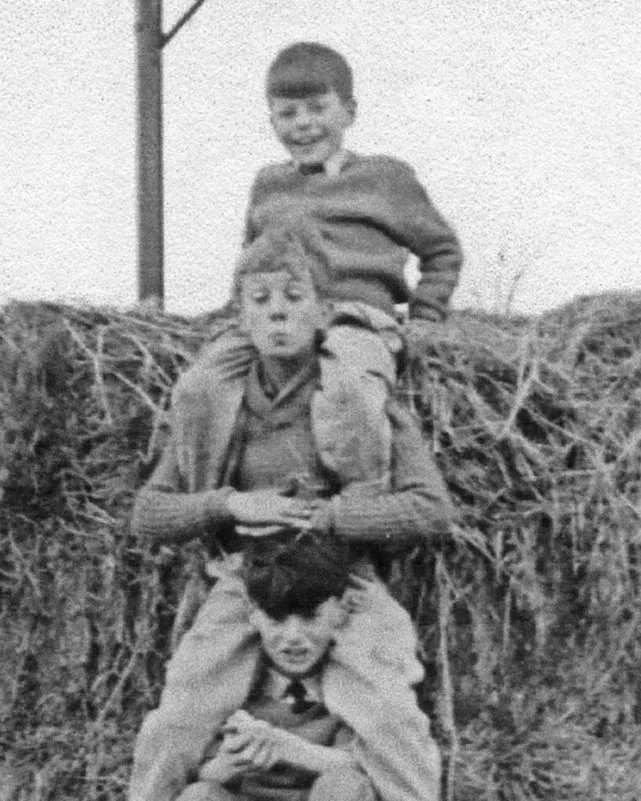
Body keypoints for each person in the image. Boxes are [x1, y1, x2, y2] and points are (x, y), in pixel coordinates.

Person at [128, 223, 454, 801]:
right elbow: (148, 514)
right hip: (246, 584)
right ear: (243, 319)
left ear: (323, 312)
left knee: (390, 721)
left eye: (294, 298)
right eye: (261, 301)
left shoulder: (362, 399)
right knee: (177, 720)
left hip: (341, 584)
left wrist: (328, 519)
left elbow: (431, 511)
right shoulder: (218, 406)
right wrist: (229, 503)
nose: (278, 314)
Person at [197, 40, 463, 484]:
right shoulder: (268, 184)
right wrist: (234, 315)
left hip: (353, 319)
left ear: (349, 112)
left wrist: (426, 316)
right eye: (288, 113)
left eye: (317, 108)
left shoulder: (384, 178)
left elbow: (442, 252)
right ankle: (208, 504)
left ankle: (364, 507)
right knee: (199, 386)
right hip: (277, 317)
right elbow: (252, 265)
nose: (303, 124)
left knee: (353, 391)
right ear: (272, 120)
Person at [174, 533, 378, 801]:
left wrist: (286, 747)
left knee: (344, 786)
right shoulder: (231, 677)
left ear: (339, 612)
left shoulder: (349, 678)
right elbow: (198, 768)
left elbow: (368, 766)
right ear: (254, 616)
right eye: (277, 619)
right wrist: (222, 767)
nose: (293, 635)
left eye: (310, 617)